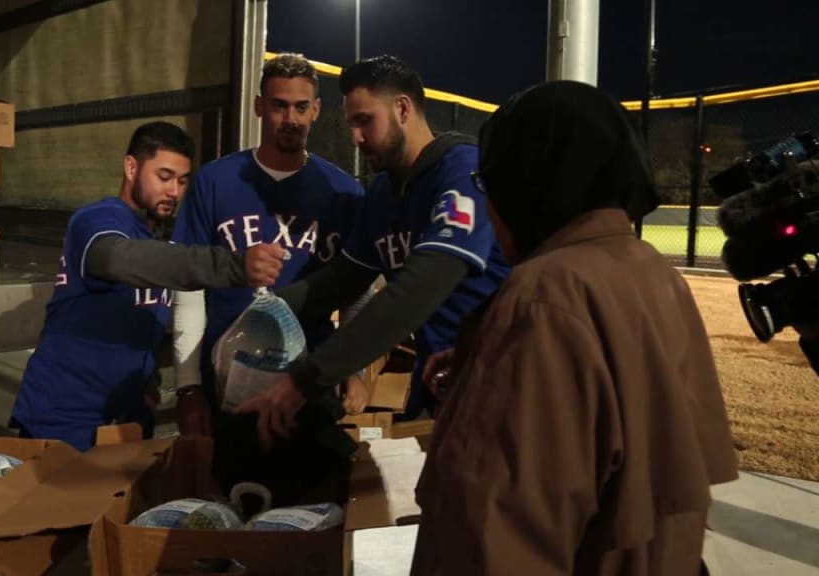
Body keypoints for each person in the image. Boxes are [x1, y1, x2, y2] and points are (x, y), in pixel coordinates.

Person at [410, 81, 739, 575]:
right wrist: (484, 365)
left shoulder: (542, 295)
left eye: (489, 184)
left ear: (526, 181)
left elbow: (492, 540)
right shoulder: (649, 267)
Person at [235, 55, 510, 448]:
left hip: (498, 383)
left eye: (365, 121)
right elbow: (342, 280)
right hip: (440, 384)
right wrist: (263, 312)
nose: (355, 138)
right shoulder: (382, 192)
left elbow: (422, 285)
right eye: (351, 124)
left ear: (402, 109)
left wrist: (309, 376)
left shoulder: (462, 169)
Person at [9, 121, 288, 451]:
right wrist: (234, 265)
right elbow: (117, 259)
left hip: (127, 419)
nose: (174, 192)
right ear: (131, 167)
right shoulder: (96, 219)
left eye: (183, 181)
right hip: (64, 420)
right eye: (164, 176)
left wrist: (149, 382)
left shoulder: (161, 239)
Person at [171, 53, 365, 437]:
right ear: (259, 107)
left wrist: (354, 368)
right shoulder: (215, 181)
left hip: (311, 381)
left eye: (301, 107)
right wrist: (188, 386)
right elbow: (188, 289)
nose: (290, 119)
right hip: (227, 381)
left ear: (316, 110)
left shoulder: (343, 192)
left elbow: (355, 289)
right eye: (279, 105)